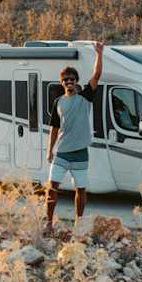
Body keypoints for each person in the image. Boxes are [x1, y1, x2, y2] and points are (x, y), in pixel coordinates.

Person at [45, 41, 105, 233]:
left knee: (80, 190)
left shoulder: (85, 97)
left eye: (72, 79)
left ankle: (79, 223)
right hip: (62, 152)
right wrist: (49, 151)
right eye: (66, 80)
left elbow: (96, 75)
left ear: (76, 81)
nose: (69, 82)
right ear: (62, 82)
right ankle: (48, 222)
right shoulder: (58, 102)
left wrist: (99, 54)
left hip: (80, 153)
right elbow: (54, 128)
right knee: (52, 187)